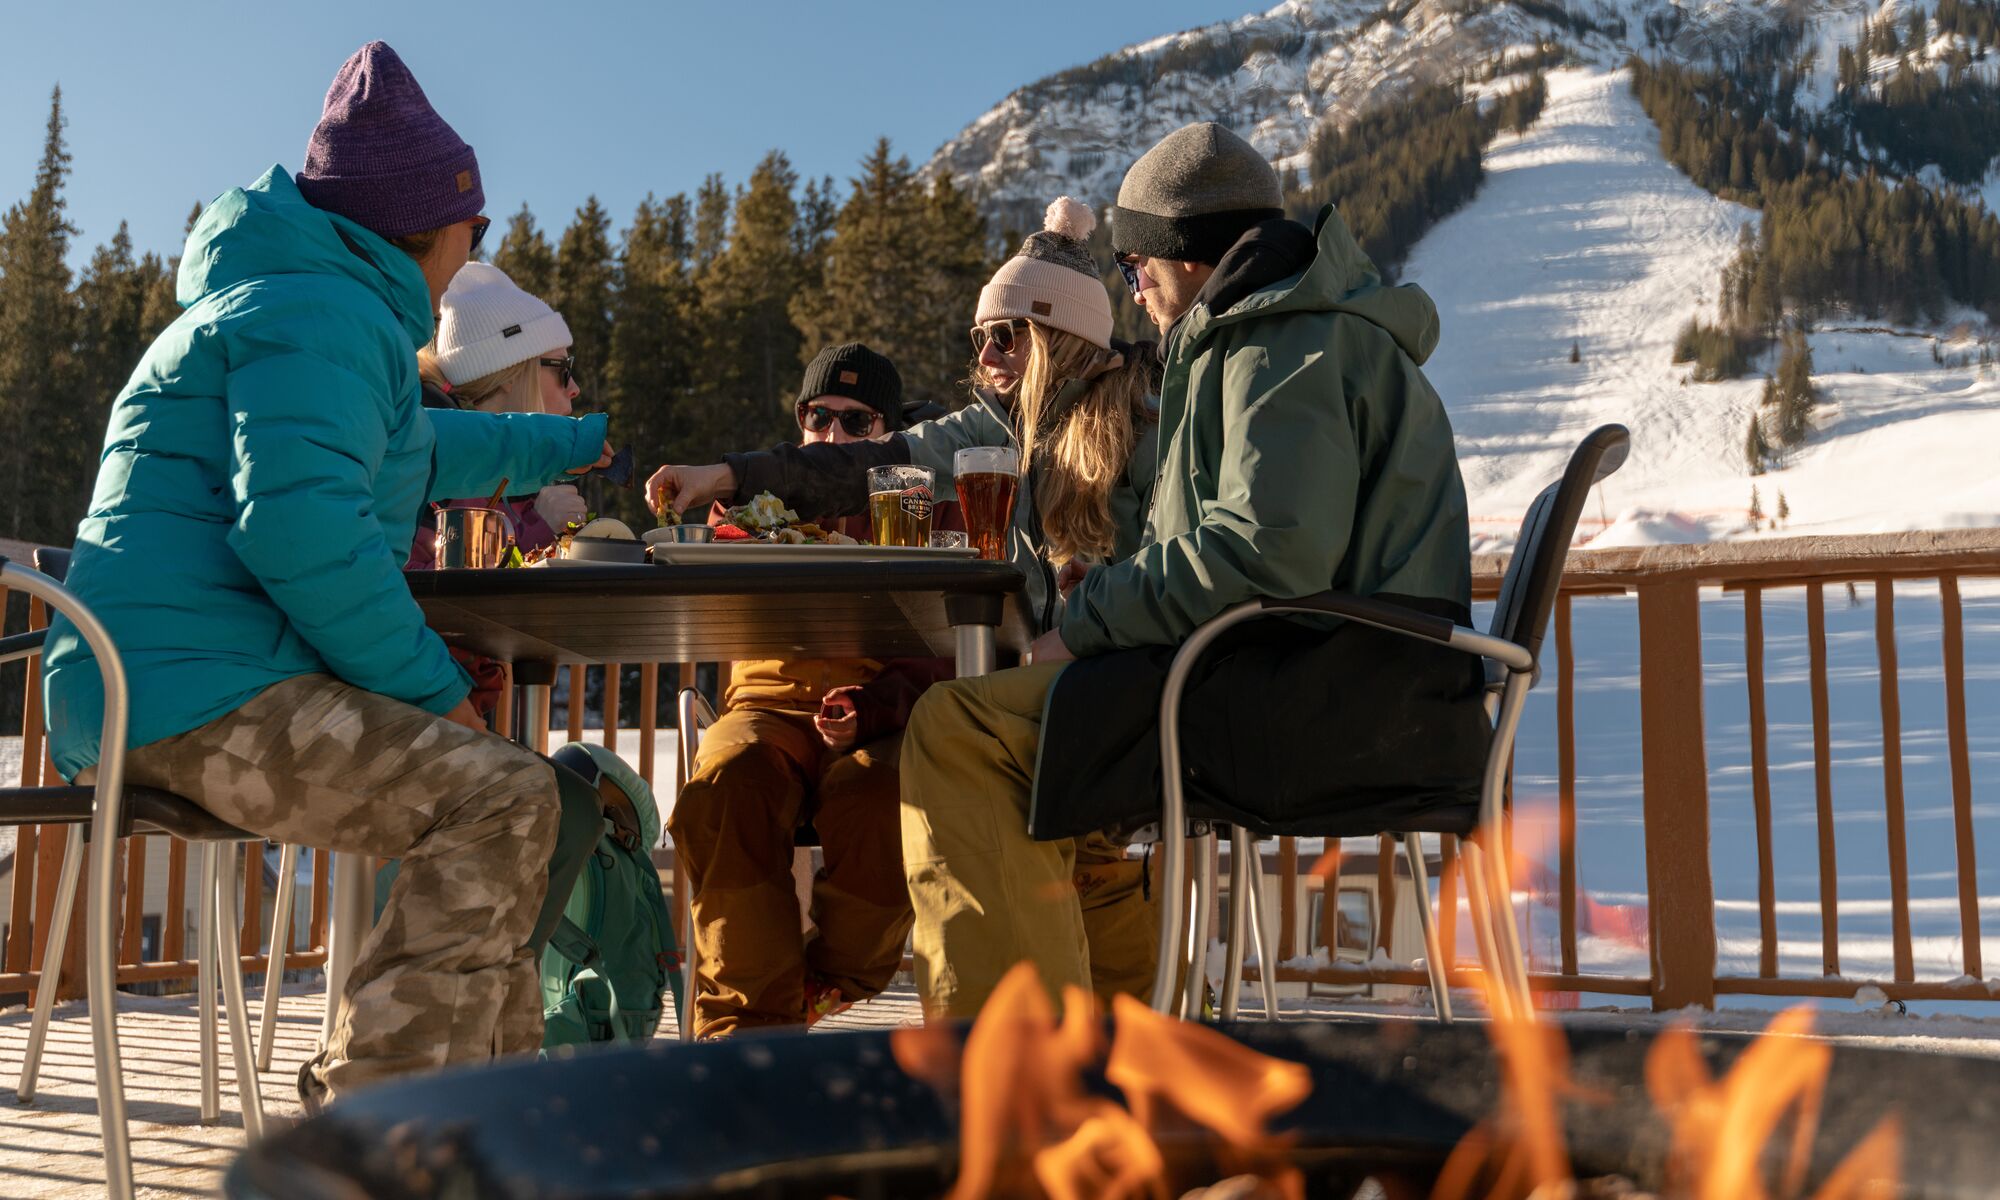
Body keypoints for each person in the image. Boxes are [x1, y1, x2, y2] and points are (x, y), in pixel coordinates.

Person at [40, 42, 613, 1105]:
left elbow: (424, 451)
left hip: (161, 679)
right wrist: (437, 693)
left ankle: (499, 1120)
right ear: (434, 227)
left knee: (517, 801)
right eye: (474, 227)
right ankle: (377, 1124)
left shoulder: (306, 306)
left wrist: (570, 443)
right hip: (187, 694)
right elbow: (299, 533)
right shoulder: (324, 316)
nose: (471, 248)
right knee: (501, 802)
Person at [895, 122, 1490, 1019]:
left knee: (964, 730)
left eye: (1135, 267)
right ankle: (1096, 1042)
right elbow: (1248, 543)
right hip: (1342, 681)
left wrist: (1089, 620)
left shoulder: (1279, 347)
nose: (1133, 290)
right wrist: (1106, 599)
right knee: (1028, 746)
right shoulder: (1286, 336)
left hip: (1317, 700)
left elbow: (1265, 550)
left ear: (1182, 256)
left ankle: (1025, 1075)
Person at [646, 199, 1165, 1006]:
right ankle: (1012, 1046)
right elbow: (866, 464)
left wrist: (1087, 613)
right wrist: (730, 477)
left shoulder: (1141, 418)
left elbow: (1176, 558)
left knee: (978, 787)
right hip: (1035, 691)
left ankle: (1103, 1046)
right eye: (979, 337)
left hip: (1125, 680)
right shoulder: (992, 429)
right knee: (758, 789)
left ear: (1060, 338)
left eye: (1007, 334)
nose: (987, 353)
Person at [668, 343, 953, 1039]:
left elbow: (944, 644)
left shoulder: (910, 498)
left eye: (858, 424)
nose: (833, 436)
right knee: (729, 785)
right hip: (765, 706)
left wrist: (873, 708)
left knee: (883, 798)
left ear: (891, 432)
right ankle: (745, 1029)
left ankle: (831, 980)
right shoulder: (761, 503)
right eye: (818, 417)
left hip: (879, 708)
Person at [407, 263, 589, 567]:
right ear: (509, 373)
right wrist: (538, 529)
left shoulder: (526, 486)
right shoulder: (432, 470)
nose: (575, 388)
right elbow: (418, 594)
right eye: (562, 369)